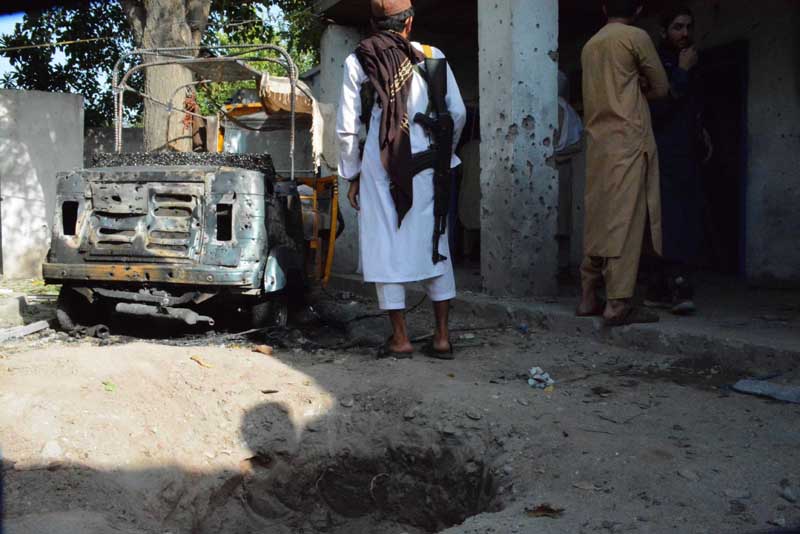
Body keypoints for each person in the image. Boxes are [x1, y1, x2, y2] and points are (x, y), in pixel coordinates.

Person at [336, 0, 466, 358]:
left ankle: (401, 338)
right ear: (409, 23)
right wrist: (445, 155)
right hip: (428, 164)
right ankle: (442, 337)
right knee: (435, 243)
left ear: (373, 24)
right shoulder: (432, 56)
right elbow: (456, 112)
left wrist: (352, 174)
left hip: (382, 166)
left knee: (385, 245)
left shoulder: (358, 60)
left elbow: (347, 129)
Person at [576, 0, 669, 326]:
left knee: (599, 217)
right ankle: (617, 303)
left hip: (598, 142)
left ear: (603, 8)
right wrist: (638, 87)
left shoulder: (590, 45)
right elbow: (661, 87)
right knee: (625, 220)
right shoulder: (635, 37)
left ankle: (588, 295)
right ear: (639, 9)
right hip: (628, 139)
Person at [646, 5, 712, 315]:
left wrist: (702, 131)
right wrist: (682, 71)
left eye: (688, 26)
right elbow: (658, 109)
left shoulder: (691, 60)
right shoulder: (656, 63)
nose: (685, 33)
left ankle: (658, 288)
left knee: (686, 215)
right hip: (665, 153)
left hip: (687, 152)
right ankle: (677, 285)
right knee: (671, 218)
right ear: (663, 31)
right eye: (677, 27)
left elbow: (691, 106)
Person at [554, 70, 584, 275]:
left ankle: (559, 264)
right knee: (560, 217)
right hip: (562, 167)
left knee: (558, 217)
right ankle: (560, 263)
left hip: (556, 168)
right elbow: (578, 144)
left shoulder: (556, 109)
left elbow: (576, 144)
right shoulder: (570, 111)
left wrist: (556, 154)